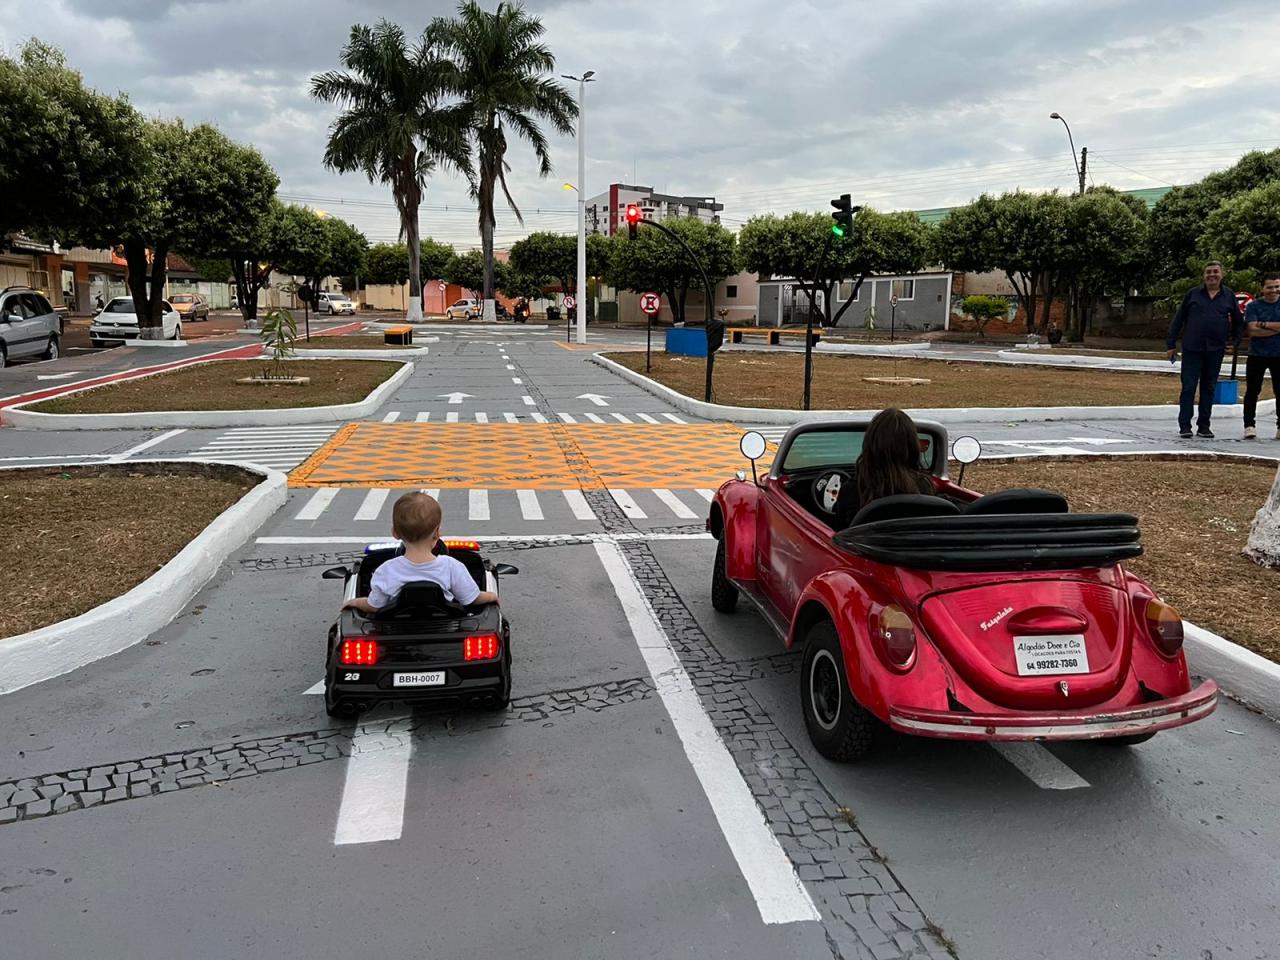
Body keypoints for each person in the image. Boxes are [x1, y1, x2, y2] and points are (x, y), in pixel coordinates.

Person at [342, 492, 497, 615]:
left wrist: (354, 602)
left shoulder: (386, 570)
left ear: (395, 533)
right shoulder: (451, 567)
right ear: (437, 533)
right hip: (444, 627)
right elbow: (470, 599)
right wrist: (491, 596)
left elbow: (374, 606)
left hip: (397, 629)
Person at [1167, 261, 1245, 439]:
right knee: (1188, 387)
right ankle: (1185, 425)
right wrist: (1171, 344)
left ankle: (1204, 426)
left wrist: (1235, 342)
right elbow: (1178, 319)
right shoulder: (1193, 294)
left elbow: (1239, 322)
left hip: (1215, 349)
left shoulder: (1228, 296)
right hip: (1192, 348)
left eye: (1215, 272)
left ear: (1222, 274)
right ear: (1204, 276)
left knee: (1208, 388)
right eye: (1208, 272)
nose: (1212, 275)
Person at [834, 408, 934, 526]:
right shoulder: (924, 487)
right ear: (912, 446)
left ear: (870, 445)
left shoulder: (852, 491)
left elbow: (838, 532)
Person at [1243, 271, 1280, 440]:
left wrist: (1263, 325)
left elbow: (1258, 328)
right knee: (1252, 391)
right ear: (1262, 289)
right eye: (1269, 287)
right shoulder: (1253, 306)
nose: (1273, 290)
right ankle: (1249, 425)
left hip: (1278, 355)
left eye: (1277, 287)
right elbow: (1252, 330)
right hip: (1257, 354)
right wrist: (1276, 328)